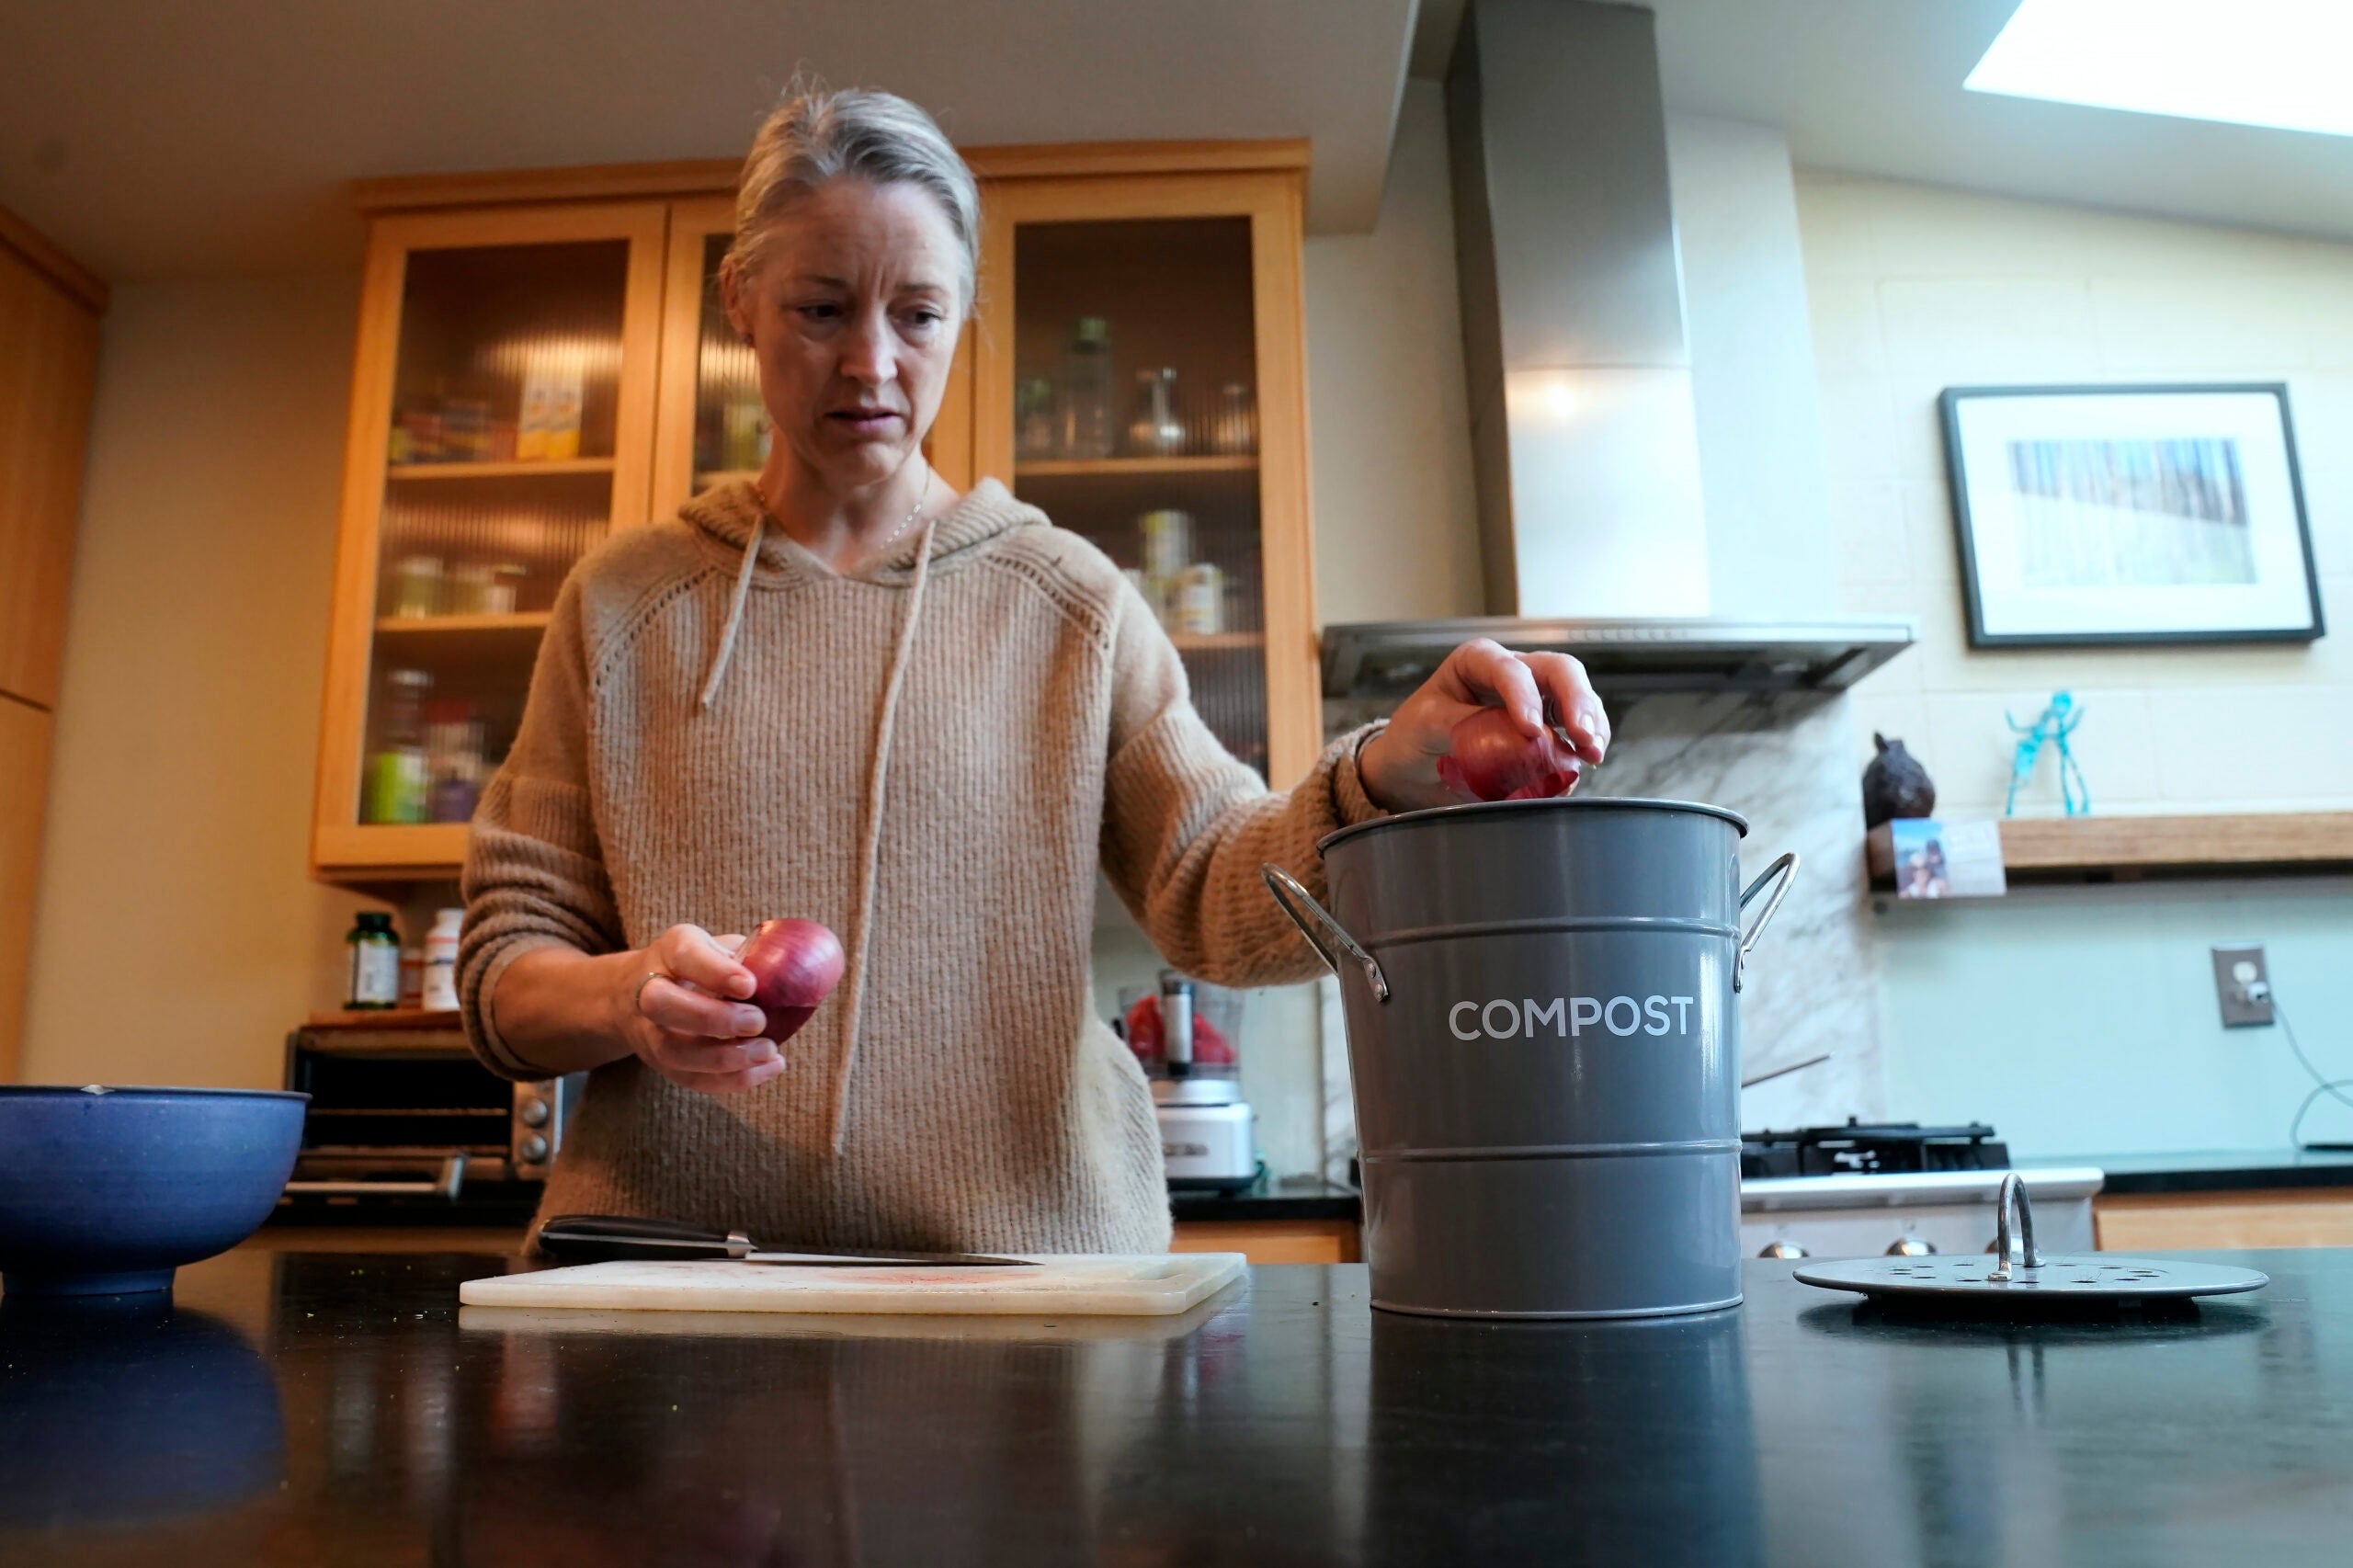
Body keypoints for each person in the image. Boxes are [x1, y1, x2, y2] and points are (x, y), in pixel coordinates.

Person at [458, 84, 1608, 1255]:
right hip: (672, 1284)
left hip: (1019, 1286)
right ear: (739, 301)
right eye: (819, 308)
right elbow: (506, 974)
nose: (871, 362)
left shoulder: (1070, 601)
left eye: (917, 315)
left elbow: (1218, 893)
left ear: (963, 317)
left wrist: (1379, 778)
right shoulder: (619, 605)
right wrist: (629, 1000)